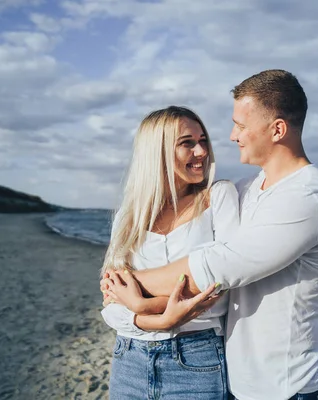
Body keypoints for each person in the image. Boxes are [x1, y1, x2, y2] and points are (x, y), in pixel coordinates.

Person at [103, 70, 318, 400]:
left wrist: (136, 298)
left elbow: (217, 272)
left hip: (288, 387)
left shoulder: (307, 196)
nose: (231, 136)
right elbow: (111, 300)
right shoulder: (249, 190)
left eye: (241, 125)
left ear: (277, 129)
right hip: (240, 381)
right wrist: (140, 310)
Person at [100, 106, 239, 400]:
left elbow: (218, 287)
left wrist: (141, 303)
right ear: (158, 151)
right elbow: (111, 303)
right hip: (129, 358)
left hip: (196, 360)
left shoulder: (219, 196)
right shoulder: (130, 216)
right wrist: (157, 320)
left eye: (203, 140)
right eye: (187, 143)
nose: (201, 151)